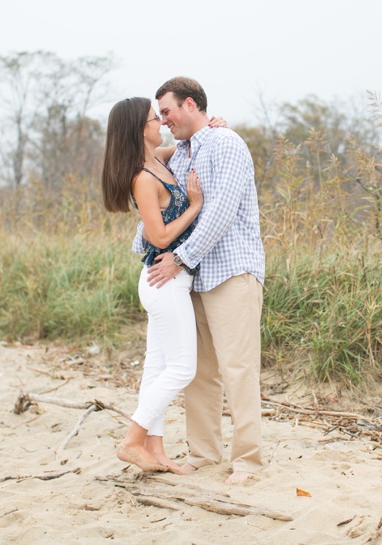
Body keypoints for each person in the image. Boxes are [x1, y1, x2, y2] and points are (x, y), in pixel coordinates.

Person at [141, 76, 266, 484]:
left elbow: (221, 210)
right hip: (192, 277)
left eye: (168, 112)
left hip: (231, 270)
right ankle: (205, 451)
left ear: (191, 104)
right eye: (158, 116)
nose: (163, 121)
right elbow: (165, 202)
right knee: (198, 370)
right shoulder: (179, 154)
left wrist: (179, 258)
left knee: (238, 367)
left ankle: (247, 460)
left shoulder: (226, 143)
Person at [100, 96, 205, 474]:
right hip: (164, 281)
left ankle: (156, 451)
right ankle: (132, 440)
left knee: (157, 369)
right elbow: (159, 237)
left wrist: (213, 124)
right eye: (152, 118)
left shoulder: (157, 159)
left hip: (168, 280)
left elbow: (187, 141)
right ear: (137, 129)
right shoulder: (143, 178)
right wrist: (193, 206)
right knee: (182, 369)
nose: (160, 120)